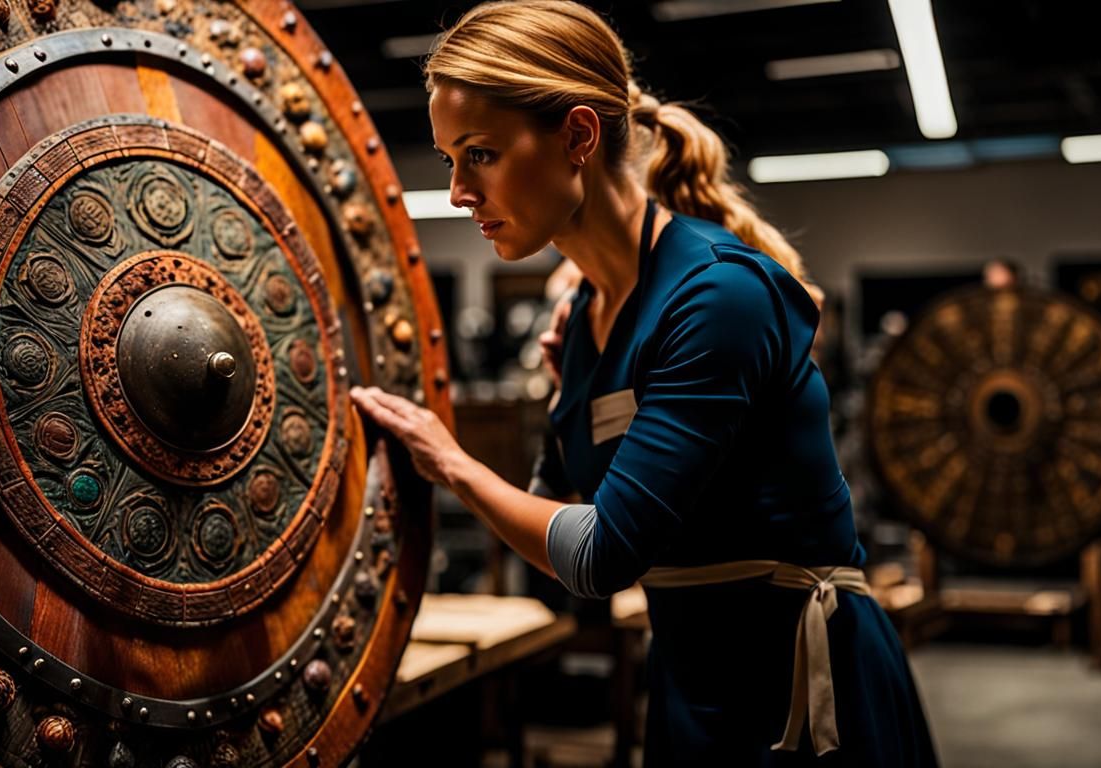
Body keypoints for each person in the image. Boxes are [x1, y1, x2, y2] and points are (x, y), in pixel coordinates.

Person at [349, 2, 938, 764]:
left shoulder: (716, 296)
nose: (459, 191)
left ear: (578, 137)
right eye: (448, 161)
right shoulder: (587, 319)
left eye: (480, 154)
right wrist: (565, 399)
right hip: (692, 684)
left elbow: (601, 556)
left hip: (800, 690)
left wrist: (452, 463)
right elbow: (554, 527)